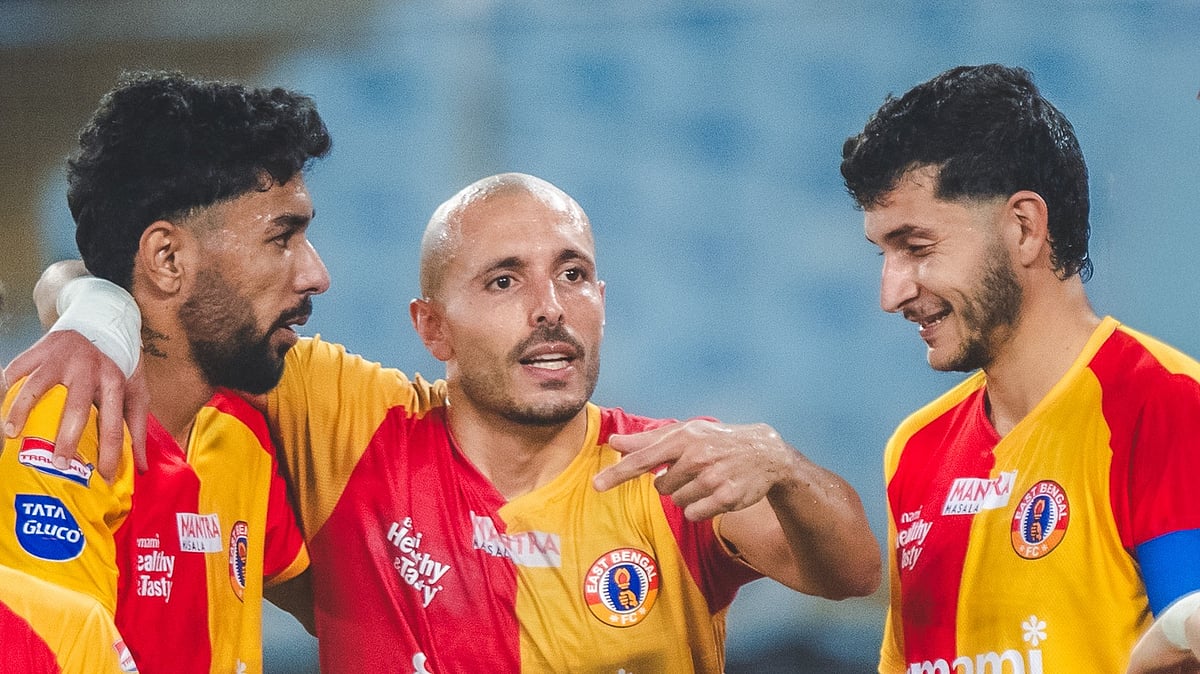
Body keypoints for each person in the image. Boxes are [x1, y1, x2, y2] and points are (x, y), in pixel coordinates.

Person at [16, 172, 882, 672]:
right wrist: (91, 315)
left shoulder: (668, 466)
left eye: (574, 275)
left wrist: (787, 469)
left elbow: (851, 572)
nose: (550, 309)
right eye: (504, 281)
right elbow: (160, 296)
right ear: (432, 327)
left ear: (603, 303)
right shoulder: (346, 418)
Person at [840, 63, 1200, 673]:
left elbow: (1188, 637)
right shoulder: (914, 450)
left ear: (1024, 227)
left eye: (917, 248)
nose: (891, 292)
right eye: (884, 254)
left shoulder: (1164, 406)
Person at [1, 71, 328, 674]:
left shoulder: (239, 431)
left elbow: (351, 613)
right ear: (168, 259)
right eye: (282, 239)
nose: (316, 275)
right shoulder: (57, 423)